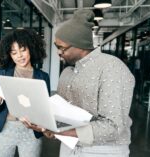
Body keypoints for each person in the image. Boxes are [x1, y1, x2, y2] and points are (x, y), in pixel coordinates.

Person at [27, 9, 135, 157]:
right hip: (68, 145)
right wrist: (47, 125)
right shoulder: (66, 72)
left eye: (62, 48)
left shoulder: (112, 68)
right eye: (56, 47)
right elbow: (61, 111)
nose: (58, 52)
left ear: (80, 45)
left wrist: (62, 131)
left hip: (102, 150)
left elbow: (113, 126)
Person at [0, 29, 50, 157]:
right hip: (5, 130)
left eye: (23, 50)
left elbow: (45, 108)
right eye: (14, 52)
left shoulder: (42, 76)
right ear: (10, 55)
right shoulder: (3, 73)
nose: (19, 56)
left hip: (31, 132)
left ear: (31, 49)